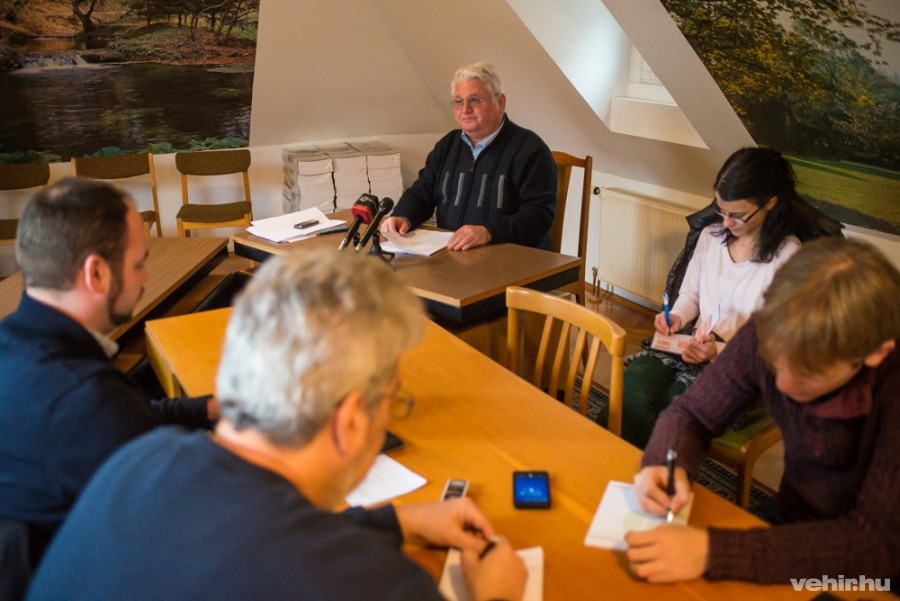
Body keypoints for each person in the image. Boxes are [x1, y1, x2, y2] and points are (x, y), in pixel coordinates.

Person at [26, 250, 527, 601]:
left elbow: (252, 538)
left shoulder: (138, 459)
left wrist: (398, 522)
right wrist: (496, 596)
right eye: (392, 402)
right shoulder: (373, 584)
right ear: (350, 421)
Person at [625, 237, 900, 584]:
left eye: (809, 372)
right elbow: (692, 414)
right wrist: (668, 463)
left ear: (876, 352)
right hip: (791, 515)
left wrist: (714, 553)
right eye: (773, 361)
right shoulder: (769, 327)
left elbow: (877, 545)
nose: (781, 385)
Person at [0, 178, 214, 597]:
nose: (145, 277)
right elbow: (199, 520)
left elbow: (125, 419)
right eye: (138, 264)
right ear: (96, 273)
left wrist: (208, 409)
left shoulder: (15, 344)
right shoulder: (83, 400)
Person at [620, 147, 804, 448]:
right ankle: (625, 464)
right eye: (722, 210)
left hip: (739, 364)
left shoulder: (788, 258)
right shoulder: (711, 237)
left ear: (770, 203)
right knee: (631, 390)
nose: (726, 222)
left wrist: (717, 350)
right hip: (692, 345)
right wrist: (676, 317)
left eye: (737, 215)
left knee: (673, 406)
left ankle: (647, 469)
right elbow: (691, 295)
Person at [381, 61, 557, 250]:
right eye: (459, 101)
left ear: (500, 103)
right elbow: (422, 193)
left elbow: (539, 215)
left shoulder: (530, 149)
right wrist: (403, 216)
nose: (465, 109)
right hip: (453, 253)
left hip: (512, 256)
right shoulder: (448, 145)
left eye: (474, 100)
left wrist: (488, 232)